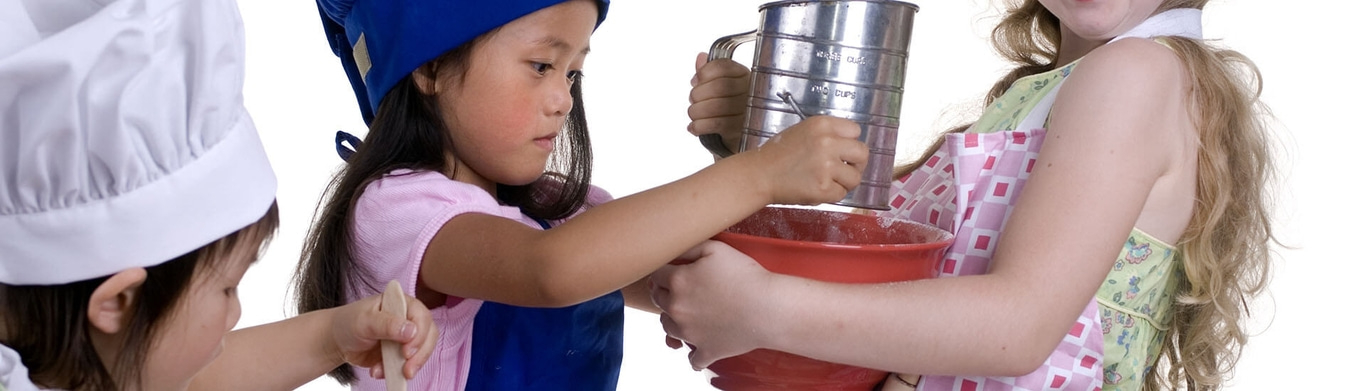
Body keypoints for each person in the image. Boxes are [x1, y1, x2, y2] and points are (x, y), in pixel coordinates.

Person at [652, 0, 1276, 389]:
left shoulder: (1134, 74)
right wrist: (760, 151)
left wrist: (765, 308)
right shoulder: (1052, 93)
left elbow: (1019, 328)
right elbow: (880, 271)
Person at [295, 0, 869, 389]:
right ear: (432, 67)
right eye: (542, 65)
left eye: (573, 73)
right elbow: (550, 272)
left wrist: (743, 143)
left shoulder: (555, 207)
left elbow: (698, 273)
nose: (563, 100)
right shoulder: (395, 207)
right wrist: (758, 174)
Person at [0, 0, 438, 390]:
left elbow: (189, 374)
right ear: (116, 301)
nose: (235, 313)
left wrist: (335, 336)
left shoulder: (94, 366)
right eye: (228, 288)